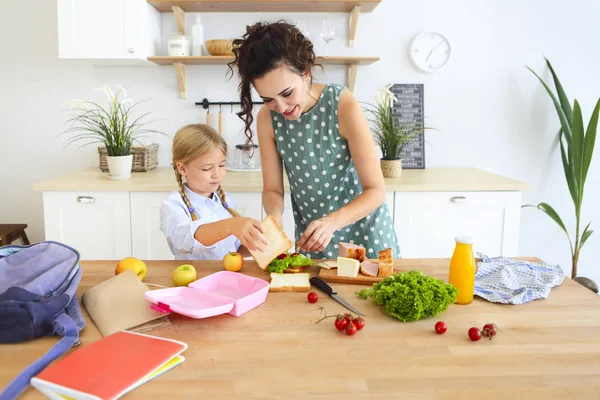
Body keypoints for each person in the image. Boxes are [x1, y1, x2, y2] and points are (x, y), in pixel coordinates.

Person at [228, 21, 400, 259]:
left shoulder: (342, 104)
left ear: (306, 73)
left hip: (366, 236)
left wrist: (332, 222)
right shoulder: (267, 119)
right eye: (268, 99)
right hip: (314, 242)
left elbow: (376, 191)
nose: (281, 107)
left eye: (287, 93)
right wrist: (274, 220)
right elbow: (273, 189)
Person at [160, 124, 269, 260]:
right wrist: (231, 225)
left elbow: (235, 251)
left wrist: (258, 241)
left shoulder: (226, 201)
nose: (217, 174)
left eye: (222, 165)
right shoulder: (173, 205)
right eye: (207, 168)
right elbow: (185, 241)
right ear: (182, 168)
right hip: (195, 279)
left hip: (227, 276)